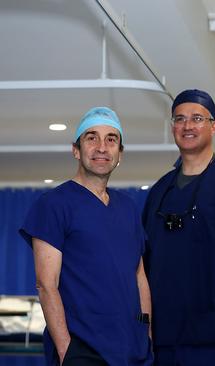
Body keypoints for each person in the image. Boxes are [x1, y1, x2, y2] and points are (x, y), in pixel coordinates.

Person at [20, 107, 153, 366]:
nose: (102, 147)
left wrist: (145, 334)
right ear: (76, 150)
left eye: (111, 139)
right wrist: (66, 350)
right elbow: (46, 285)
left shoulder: (127, 208)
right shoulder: (55, 204)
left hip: (132, 348)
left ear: (120, 154)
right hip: (82, 350)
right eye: (91, 138)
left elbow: (139, 276)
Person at [142, 89, 215, 365]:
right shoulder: (159, 191)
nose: (188, 126)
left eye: (197, 118)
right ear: (172, 127)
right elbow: (143, 264)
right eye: (180, 119)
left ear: (213, 126)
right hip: (163, 340)